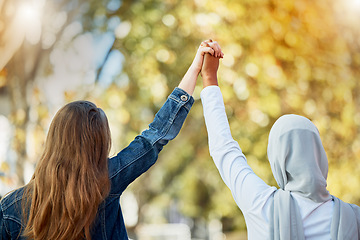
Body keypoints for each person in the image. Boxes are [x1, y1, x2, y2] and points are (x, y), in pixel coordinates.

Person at [0, 41, 223, 240]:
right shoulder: (107, 180)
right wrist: (196, 69)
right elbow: (155, 136)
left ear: (54, 140)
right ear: (99, 143)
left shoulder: (10, 208)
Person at [200, 42, 360, 239]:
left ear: (278, 160)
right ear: (319, 155)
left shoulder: (261, 203)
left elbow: (223, 148)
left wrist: (209, 77)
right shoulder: (354, 218)